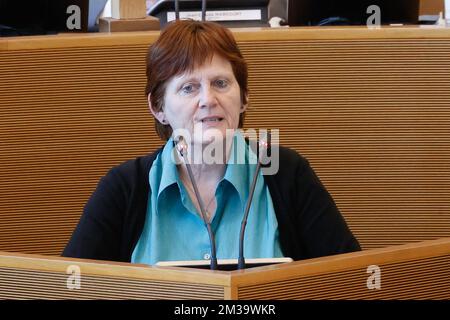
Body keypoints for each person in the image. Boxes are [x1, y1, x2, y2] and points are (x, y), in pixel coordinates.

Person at [62, 19, 360, 265]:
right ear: (159, 107)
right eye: (189, 88)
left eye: (220, 83)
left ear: (243, 97)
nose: (208, 100)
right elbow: (69, 288)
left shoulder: (286, 174)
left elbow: (349, 282)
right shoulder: (124, 189)